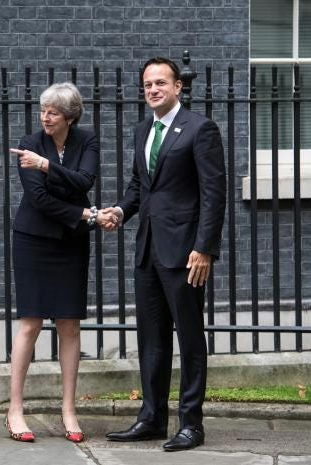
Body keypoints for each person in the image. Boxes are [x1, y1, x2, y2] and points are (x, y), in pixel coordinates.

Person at [102, 57, 226, 452]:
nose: (153, 90)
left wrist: (204, 248)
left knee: (189, 339)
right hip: (149, 251)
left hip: (185, 253)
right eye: (147, 85)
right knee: (151, 339)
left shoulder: (199, 129)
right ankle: (152, 418)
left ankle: (191, 424)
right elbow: (140, 186)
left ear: (177, 87)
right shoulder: (144, 130)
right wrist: (120, 211)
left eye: (160, 83)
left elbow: (214, 193)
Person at [7, 82, 112, 443]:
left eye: (53, 112)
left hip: (71, 242)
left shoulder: (87, 140)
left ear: (70, 116)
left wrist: (46, 166)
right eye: (43, 111)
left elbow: (84, 181)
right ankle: (15, 410)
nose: (45, 117)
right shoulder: (29, 142)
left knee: (69, 324)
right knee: (31, 323)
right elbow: (38, 199)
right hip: (33, 240)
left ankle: (69, 409)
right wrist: (87, 213)